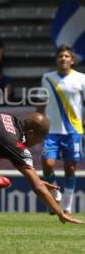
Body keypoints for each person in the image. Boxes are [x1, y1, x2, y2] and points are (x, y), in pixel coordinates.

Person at [37, 45, 85, 215]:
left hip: (73, 131)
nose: (63, 58)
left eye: (66, 56)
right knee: (47, 164)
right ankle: (55, 194)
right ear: (56, 59)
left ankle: (66, 206)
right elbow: (41, 101)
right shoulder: (47, 78)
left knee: (70, 168)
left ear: (72, 60)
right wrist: (37, 126)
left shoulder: (81, 79)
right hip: (51, 131)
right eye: (60, 56)